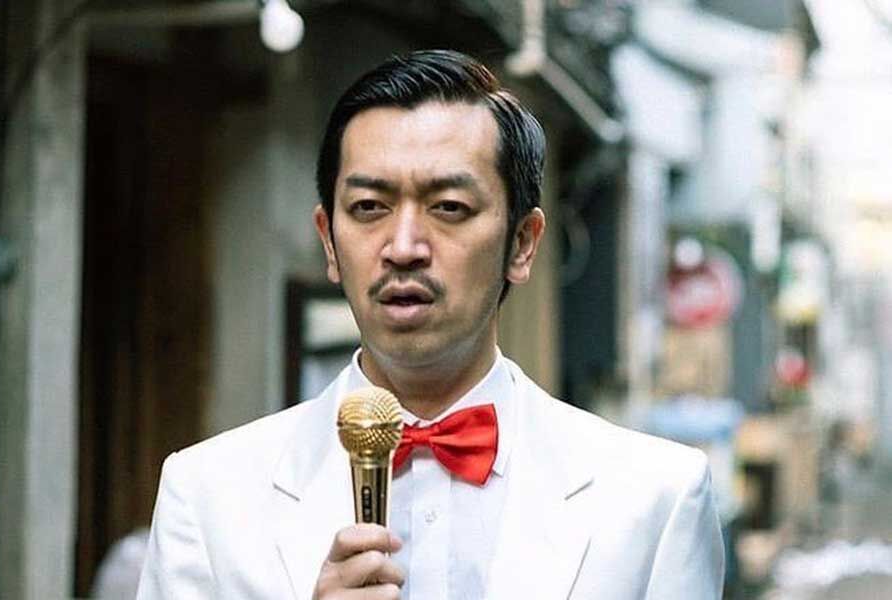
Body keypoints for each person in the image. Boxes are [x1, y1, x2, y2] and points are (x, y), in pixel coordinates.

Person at [137, 49, 724, 600]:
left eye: (449, 208)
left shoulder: (655, 499)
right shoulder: (209, 498)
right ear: (329, 241)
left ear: (523, 243)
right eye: (369, 207)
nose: (403, 247)